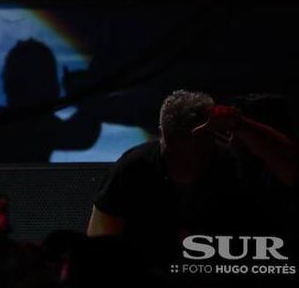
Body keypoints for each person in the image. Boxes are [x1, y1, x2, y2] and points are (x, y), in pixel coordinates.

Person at [87, 89, 297, 275]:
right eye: (176, 151)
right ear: (162, 134)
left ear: (213, 138)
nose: (187, 164)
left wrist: (239, 123)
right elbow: (98, 249)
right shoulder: (131, 169)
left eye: (198, 151)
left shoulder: (234, 167)